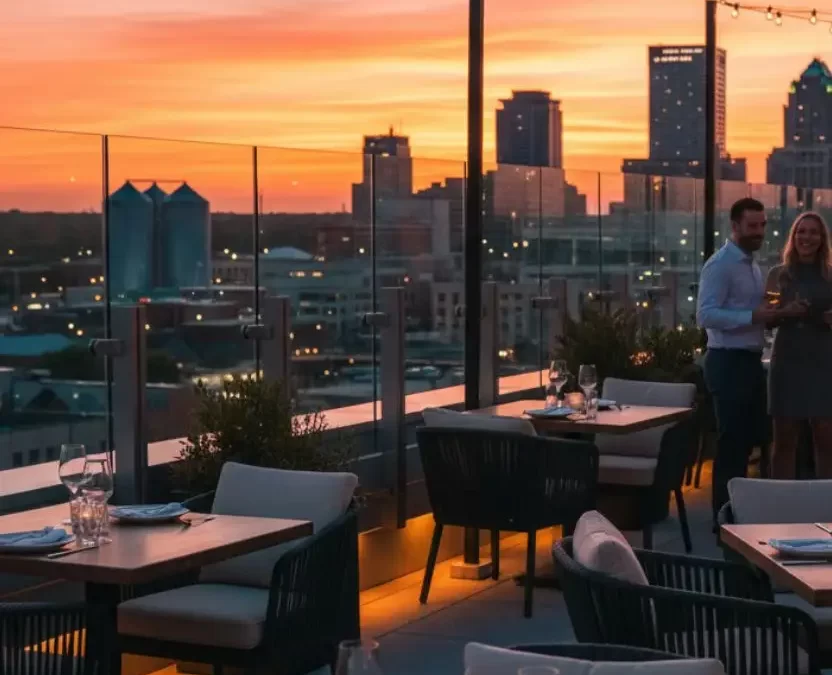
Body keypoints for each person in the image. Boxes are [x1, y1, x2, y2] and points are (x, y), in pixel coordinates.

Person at [697, 197, 807, 527]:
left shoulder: (752, 266)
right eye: (752, 226)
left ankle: (744, 516)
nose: (759, 232)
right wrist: (755, 315)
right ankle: (725, 522)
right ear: (735, 226)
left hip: (748, 362)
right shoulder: (721, 265)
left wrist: (779, 314)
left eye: (762, 225)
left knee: (750, 442)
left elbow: (756, 315)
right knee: (732, 446)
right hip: (727, 362)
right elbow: (705, 315)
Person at [766, 211, 832, 479]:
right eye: (801, 231)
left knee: (826, 440)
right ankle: (780, 502)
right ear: (793, 237)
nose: (807, 237)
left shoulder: (831, 276)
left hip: (824, 362)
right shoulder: (778, 275)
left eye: (814, 232)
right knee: (784, 441)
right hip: (787, 361)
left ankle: (826, 502)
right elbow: (766, 319)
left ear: (822, 239)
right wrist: (787, 312)